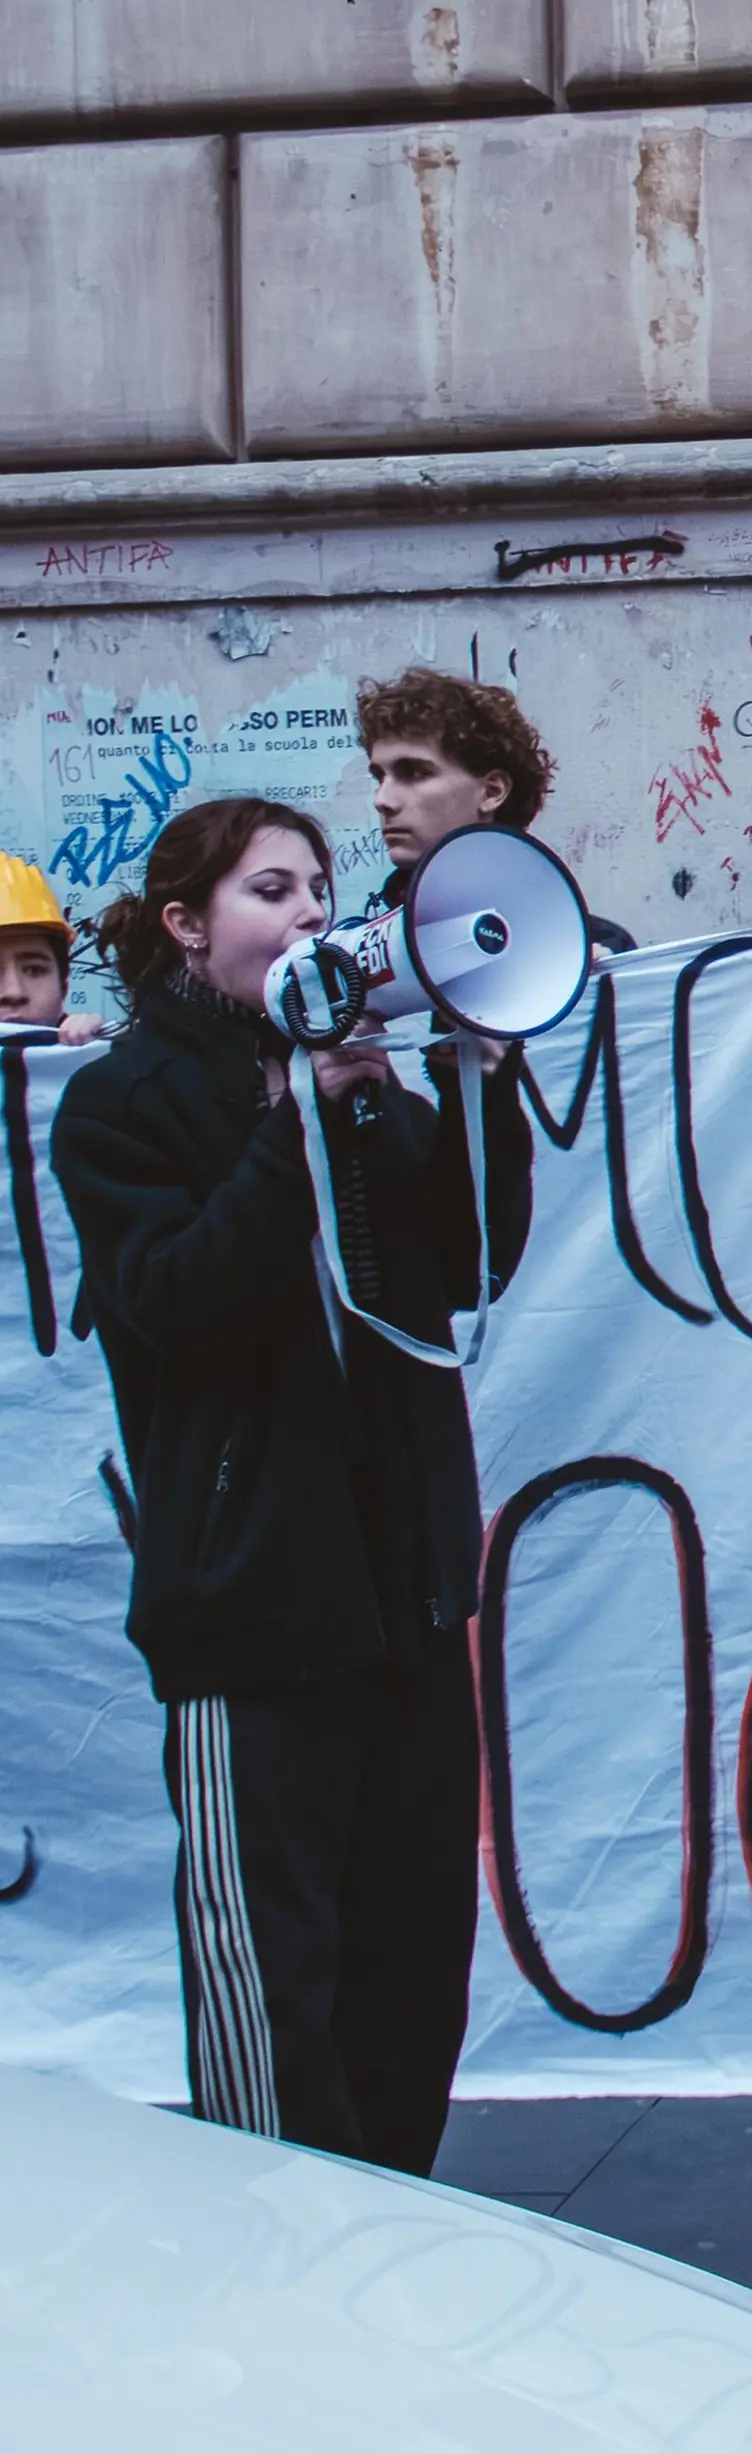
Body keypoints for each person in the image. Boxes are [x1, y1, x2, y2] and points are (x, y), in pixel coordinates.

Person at [49, 797, 534, 2175]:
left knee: (408, 1953)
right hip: (256, 1607)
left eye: (321, 888)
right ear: (186, 926)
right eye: (272, 890)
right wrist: (295, 1125)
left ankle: (392, 2227)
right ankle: (279, 2261)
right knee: (273, 1974)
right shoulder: (125, 1105)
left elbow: (465, 1267)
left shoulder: (362, 1073)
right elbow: (180, 1301)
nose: (311, 913)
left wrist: (474, 1085)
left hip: (404, 1591)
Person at [357, 666, 637, 954]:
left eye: (414, 773)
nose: (383, 799)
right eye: (379, 777)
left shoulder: (592, 948)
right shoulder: (361, 952)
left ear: (492, 791)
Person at [0, 852, 107, 1042]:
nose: (14, 992)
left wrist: (92, 1060)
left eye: (35, 969)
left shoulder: (94, 1060)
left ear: (63, 987)